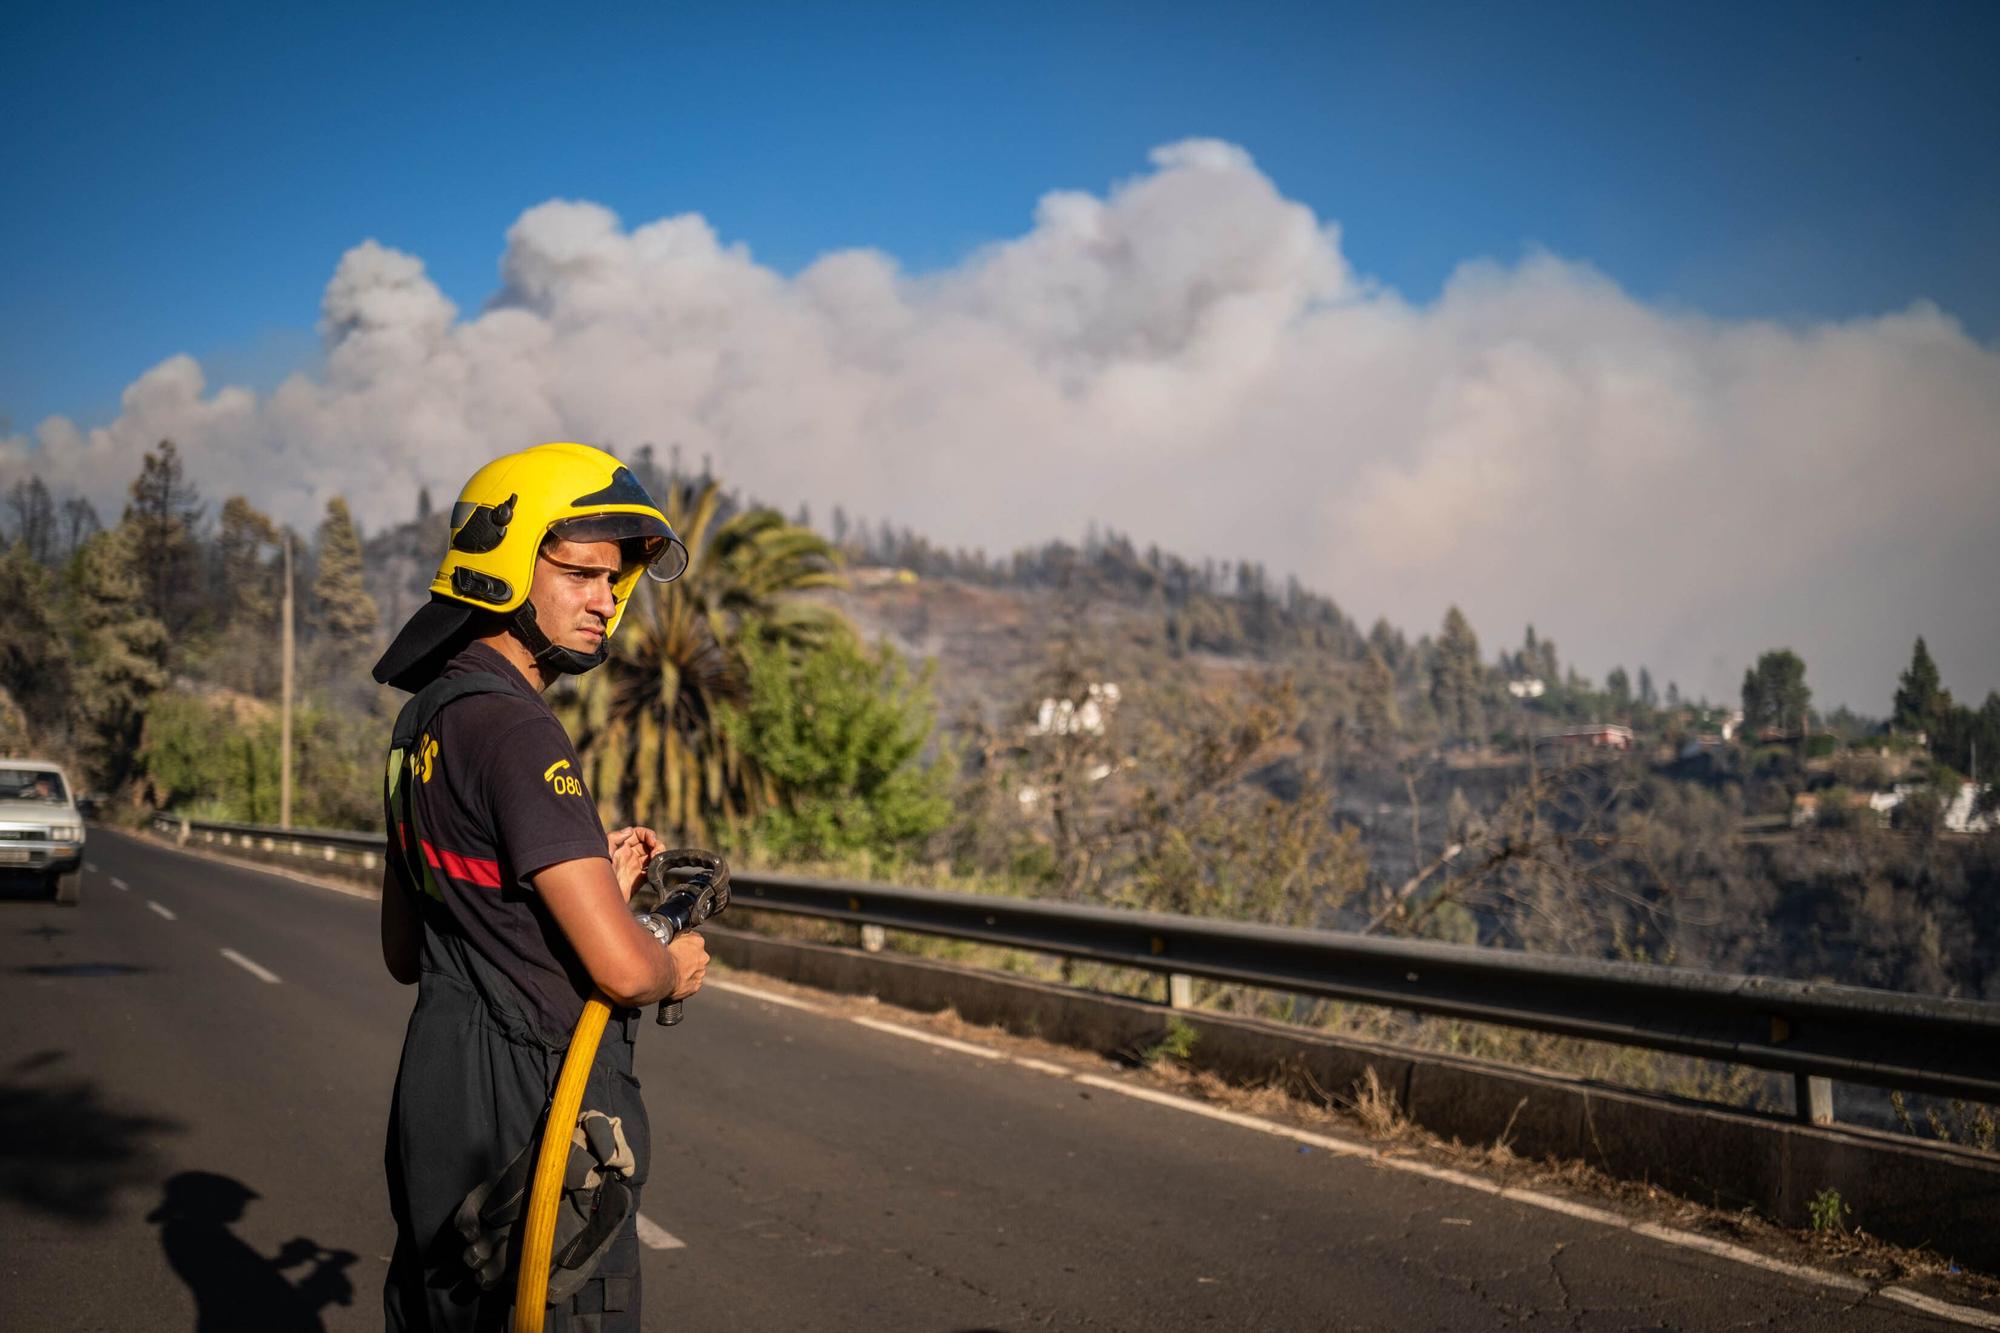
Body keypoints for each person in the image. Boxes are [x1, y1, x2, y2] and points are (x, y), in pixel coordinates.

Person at [374, 442, 710, 1333]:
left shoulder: (422, 721)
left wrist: (584, 869)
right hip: (536, 1109)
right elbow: (622, 970)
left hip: (436, 1092)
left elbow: (407, 949)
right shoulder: (522, 732)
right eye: (580, 573)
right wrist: (671, 962)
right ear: (501, 562)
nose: (606, 599)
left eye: (614, 581)